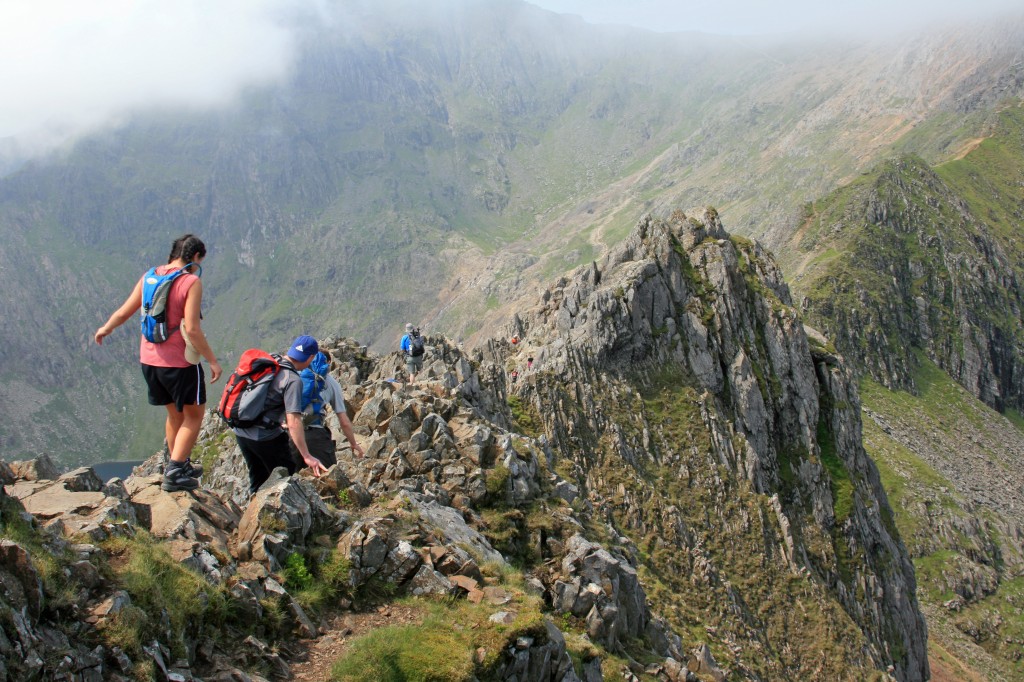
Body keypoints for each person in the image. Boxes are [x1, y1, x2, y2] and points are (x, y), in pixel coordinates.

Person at [94, 234, 223, 492]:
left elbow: (124, 311)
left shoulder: (150, 276)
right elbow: (193, 329)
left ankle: (178, 462)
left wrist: (105, 328)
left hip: (150, 362)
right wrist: (212, 361)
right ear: (195, 258)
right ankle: (175, 472)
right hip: (179, 363)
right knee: (195, 415)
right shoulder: (190, 282)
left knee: (174, 414)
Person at [232, 335, 327, 496]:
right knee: (286, 478)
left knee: (258, 477)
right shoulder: (292, 380)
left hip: (240, 430)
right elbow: (294, 421)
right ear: (311, 357)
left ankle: (253, 515)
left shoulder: (271, 361)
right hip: (263, 436)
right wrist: (306, 455)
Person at [289, 349, 364, 469]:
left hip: (291, 434)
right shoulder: (332, 384)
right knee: (328, 475)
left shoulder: (296, 375)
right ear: (327, 363)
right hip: (315, 436)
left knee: (292, 481)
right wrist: (353, 443)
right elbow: (344, 422)